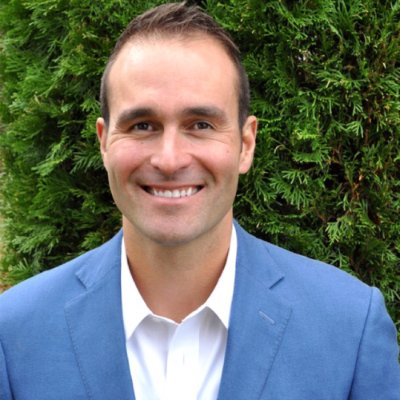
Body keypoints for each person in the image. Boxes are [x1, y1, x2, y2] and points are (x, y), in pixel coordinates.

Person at [0, 2, 399, 399]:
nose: (169, 159)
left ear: (246, 144)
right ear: (104, 143)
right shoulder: (15, 333)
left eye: (201, 125)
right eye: (142, 125)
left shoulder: (349, 328)